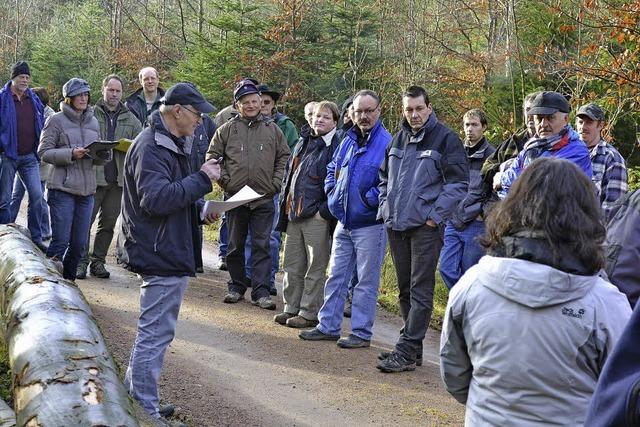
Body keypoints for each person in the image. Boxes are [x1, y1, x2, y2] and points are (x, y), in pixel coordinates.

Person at [440, 157, 631, 426]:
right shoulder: (606, 303)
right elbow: (623, 394)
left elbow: (455, 375)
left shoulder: (472, 284)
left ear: (513, 207)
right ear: (586, 215)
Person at [115, 83, 220, 422]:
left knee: (156, 331)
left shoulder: (170, 143)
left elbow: (175, 193)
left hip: (166, 246)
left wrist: (202, 208)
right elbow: (156, 200)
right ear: (178, 111)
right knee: (155, 333)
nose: (200, 121)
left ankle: (137, 397)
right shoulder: (152, 146)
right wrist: (203, 179)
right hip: (159, 251)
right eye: (197, 114)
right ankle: (144, 409)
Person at [376, 86, 468, 372]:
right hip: (397, 224)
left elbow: (458, 184)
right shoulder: (398, 139)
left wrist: (434, 217)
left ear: (429, 107)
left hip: (425, 228)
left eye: (419, 108)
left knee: (420, 289)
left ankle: (405, 350)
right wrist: (385, 206)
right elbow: (383, 177)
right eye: (409, 109)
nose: (414, 115)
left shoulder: (446, 139)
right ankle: (411, 346)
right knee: (404, 289)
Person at [299, 89, 391, 348]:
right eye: (359, 111)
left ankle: (361, 333)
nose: (363, 116)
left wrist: (366, 200)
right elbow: (332, 168)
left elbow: (389, 183)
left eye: (368, 111)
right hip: (343, 221)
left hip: (370, 224)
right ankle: (328, 326)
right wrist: (332, 193)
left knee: (365, 282)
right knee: (336, 275)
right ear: (352, 113)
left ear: (378, 111)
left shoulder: (387, 142)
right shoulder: (348, 140)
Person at [207, 79, 290, 310]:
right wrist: (225, 181)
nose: (252, 105)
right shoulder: (226, 130)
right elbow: (212, 157)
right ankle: (235, 286)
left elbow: (284, 156)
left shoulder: (273, 129)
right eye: (246, 102)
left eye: (255, 101)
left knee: (262, 245)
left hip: (264, 198)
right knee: (234, 244)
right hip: (235, 198)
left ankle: (261, 292)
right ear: (238, 104)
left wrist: (275, 183)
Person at [273, 101, 340, 328]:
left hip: (317, 217)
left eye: (326, 117)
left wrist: (324, 211)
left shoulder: (336, 145)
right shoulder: (303, 141)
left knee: (315, 268)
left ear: (335, 122)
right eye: (317, 116)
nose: (319, 120)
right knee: (292, 265)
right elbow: (289, 177)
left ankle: (309, 313)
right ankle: (290, 307)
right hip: (294, 213)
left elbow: (339, 182)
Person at [38, 78, 108, 281]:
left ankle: (68, 284)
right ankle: (47, 285)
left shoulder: (93, 121)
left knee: (79, 246)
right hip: (62, 189)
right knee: (60, 242)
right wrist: (70, 153)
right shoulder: (56, 120)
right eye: (79, 95)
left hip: (87, 192)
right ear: (69, 98)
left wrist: (104, 154)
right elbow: (43, 152)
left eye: (86, 94)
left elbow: (98, 155)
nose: (84, 98)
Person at [76, 74, 142, 279]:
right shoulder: (90, 114)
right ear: (103, 90)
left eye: (117, 91)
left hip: (118, 180)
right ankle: (80, 261)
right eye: (110, 90)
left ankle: (98, 262)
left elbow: (141, 145)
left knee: (108, 225)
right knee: (85, 222)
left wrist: (128, 145)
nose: (114, 94)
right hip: (93, 178)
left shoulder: (131, 118)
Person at [242, 83, 299, 295]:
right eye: (259, 101)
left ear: (273, 104)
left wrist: (277, 183)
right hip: (247, 188)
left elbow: (290, 156)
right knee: (248, 234)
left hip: (274, 189)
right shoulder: (244, 124)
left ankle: (268, 277)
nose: (262, 106)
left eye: (267, 102)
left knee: (271, 237)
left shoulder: (284, 126)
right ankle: (249, 274)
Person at [438, 109, 494, 289]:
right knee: (446, 268)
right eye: (467, 125)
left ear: (484, 127)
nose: (470, 129)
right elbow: (444, 182)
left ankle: (466, 312)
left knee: (470, 272)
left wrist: (484, 214)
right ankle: (462, 303)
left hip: (476, 223)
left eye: (475, 125)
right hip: (452, 220)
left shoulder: (492, 156)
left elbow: (495, 192)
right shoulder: (455, 152)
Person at [499, 91, 592, 195]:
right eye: (539, 118)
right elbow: (507, 189)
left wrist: (501, 179)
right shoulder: (531, 147)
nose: (543, 124)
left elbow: (543, 187)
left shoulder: (577, 151)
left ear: (566, 119)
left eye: (550, 118)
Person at [0, 61, 47, 251]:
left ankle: (36, 237)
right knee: (4, 199)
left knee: (37, 196)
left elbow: (41, 122)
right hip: (8, 156)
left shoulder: (33, 98)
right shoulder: (2, 98)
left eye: (27, 77)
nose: (25, 80)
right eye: (21, 77)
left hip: (29, 157)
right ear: (13, 78)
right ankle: (3, 236)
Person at [9, 86, 54, 241]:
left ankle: (44, 230)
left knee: (38, 197)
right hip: (26, 161)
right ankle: (8, 224)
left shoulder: (49, 116)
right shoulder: (32, 110)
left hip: (39, 165)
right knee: (16, 195)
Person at [482, 92, 538, 202]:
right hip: (505, 205)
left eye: (535, 110)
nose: (530, 115)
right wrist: (501, 167)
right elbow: (485, 168)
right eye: (527, 110)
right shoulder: (513, 141)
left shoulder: (551, 143)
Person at [575, 102, 627, 215]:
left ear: (600, 125)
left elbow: (613, 210)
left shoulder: (612, 159)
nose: (583, 127)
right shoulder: (568, 153)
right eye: (580, 122)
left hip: (591, 230)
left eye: (589, 122)